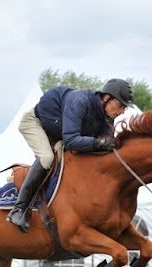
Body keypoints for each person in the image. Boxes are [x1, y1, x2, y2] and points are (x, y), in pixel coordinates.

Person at [7, 78, 135, 233]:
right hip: (36, 123)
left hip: (59, 133)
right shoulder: (80, 100)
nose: (122, 111)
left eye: (124, 108)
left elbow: (105, 148)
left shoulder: (106, 118)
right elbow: (72, 140)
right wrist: (99, 143)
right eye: (121, 105)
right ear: (106, 97)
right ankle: (19, 209)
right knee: (47, 158)